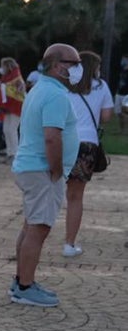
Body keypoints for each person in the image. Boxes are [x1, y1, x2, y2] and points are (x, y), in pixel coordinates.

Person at [9, 44, 81, 307]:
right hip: (41, 170)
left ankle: (22, 280)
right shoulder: (55, 95)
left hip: (31, 166)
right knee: (39, 228)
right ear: (58, 65)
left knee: (31, 225)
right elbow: (52, 137)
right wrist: (57, 169)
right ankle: (25, 288)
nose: (78, 68)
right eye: (74, 63)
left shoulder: (40, 88)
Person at [62, 50, 114, 257]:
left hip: (64, 142)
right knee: (76, 197)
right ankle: (69, 244)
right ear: (94, 67)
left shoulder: (66, 87)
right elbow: (107, 116)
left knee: (53, 191)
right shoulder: (101, 86)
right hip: (87, 144)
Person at [0, 57, 26, 164]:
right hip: (8, 106)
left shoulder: (16, 76)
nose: (2, 68)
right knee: (6, 130)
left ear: (7, 66)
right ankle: (9, 153)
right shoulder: (6, 77)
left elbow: (20, 89)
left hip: (16, 106)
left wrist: (19, 88)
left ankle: (15, 155)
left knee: (12, 130)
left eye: (3, 66)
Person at [116, 55, 128, 132]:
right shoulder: (121, 70)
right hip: (119, 93)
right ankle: (121, 130)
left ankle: (125, 130)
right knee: (118, 112)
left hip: (126, 94)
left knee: (125, 112)